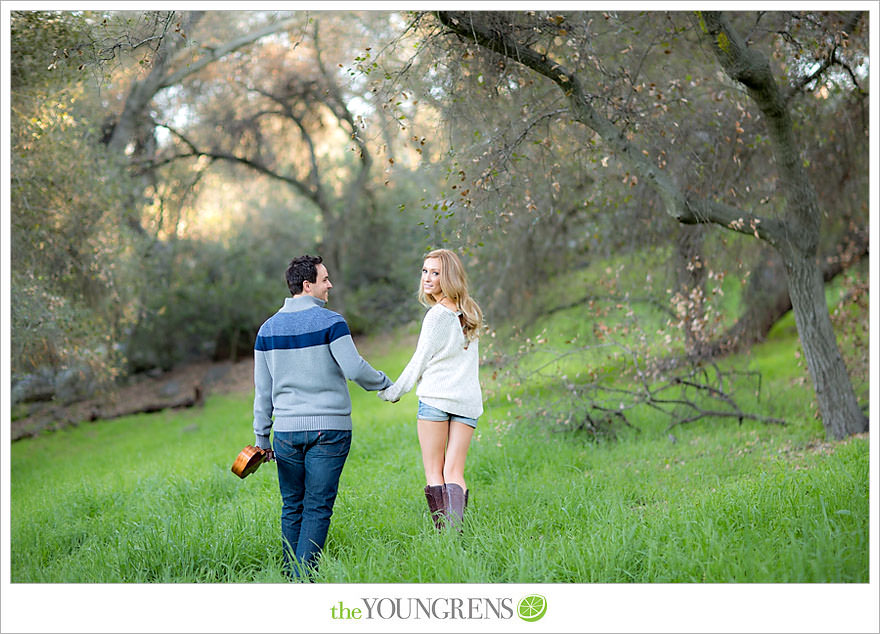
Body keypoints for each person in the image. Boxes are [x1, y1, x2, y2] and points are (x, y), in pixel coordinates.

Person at [253, 255, 392, 579]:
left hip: (285, 433)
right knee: (316, 506)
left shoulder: (267, 330)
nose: (330, 285)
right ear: (307, 285)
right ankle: (303, 579)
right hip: (329, 429)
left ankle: (292, 578)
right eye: (325, 279)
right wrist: (386, 383)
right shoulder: (332, 322)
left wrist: (262, 437)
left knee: (293, 506)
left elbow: (263, 391)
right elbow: (355, 368)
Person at [378, 248, 483, 531]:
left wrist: (393, 391)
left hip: (436, 399)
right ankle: (456, 532)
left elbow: (418, 361)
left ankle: (445, 537)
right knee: (455, 471)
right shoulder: (470, 310)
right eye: (425, 271)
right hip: (468, 401)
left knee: (435, 471)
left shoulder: (437, 316)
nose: (427, 278)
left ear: (448, 277)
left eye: (435, 273)